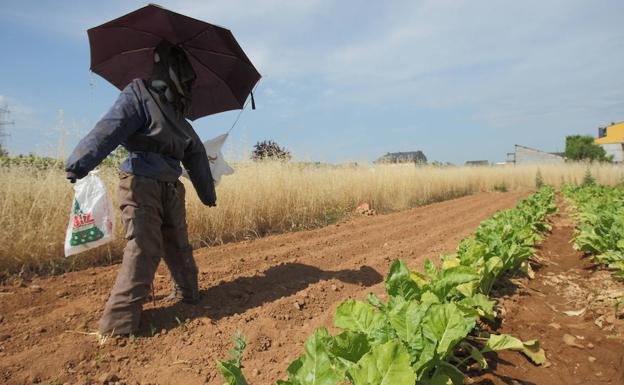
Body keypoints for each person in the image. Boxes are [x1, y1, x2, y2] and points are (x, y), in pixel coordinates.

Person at [64, 40, 216, 336]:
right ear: (171, 72)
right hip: (145, 185)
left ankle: (177, 299)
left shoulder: (168, 110)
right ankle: (122, 324)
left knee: (165, 245)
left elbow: (195, 154)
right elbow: (109, 130)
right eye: (183, 74)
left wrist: (208, 194)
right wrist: (79, 164)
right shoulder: (148, 99)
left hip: (161, 186)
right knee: (155, 246)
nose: (186, 81)